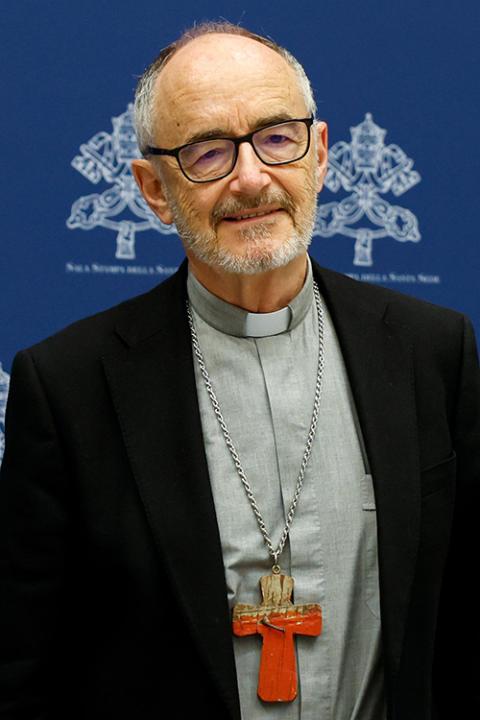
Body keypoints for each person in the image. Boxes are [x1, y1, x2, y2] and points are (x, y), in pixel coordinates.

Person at [0, 21, 478, 720]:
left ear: (319, 155)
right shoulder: (68, 386)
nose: (250, 177)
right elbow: (23, 670)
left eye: (276, 137)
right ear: (154, 190)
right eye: (207, 151)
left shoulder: (433, 352)